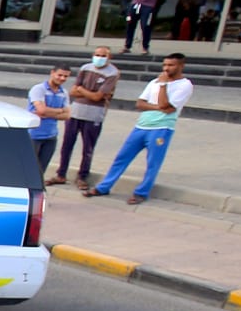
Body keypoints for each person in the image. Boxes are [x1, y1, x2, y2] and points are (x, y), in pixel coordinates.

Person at [86, 53, 192, 204]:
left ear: (181, 66)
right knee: (122, 157)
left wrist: (163, 86)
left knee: (153, 163)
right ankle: (104, 187)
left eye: (171, 65)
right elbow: (140, 103)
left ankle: (142, 192)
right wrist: (158, 107)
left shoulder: (184, 85)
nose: (166, 68)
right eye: (165, 65)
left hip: (161, 128)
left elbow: (168, 106)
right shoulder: (154, 82)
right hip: (141, 126)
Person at [55, 46, 119, 189]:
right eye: (97, 54)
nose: (99, 58)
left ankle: (82, 176)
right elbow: (73, 91)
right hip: (76, 111)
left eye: (103, 55)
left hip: (94, 115)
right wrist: (88, 93)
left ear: (109, 57)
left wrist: (82, 90)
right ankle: (61, 174)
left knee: (88, 148)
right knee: (67, 145)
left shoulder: (112, 73)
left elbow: (98, 97)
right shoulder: (85, 68)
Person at [27, 66, 72, 178]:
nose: (62, 78)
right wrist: (60, 110)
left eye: (65, 76)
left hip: (51, 136)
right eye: (60, 75)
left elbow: (67, 115)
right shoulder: (39, 89)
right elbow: (41, 109)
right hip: (34, 135)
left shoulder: (63, 92)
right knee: (29, 169)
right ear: (52, 73)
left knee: (41, 171)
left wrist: (47, 113)